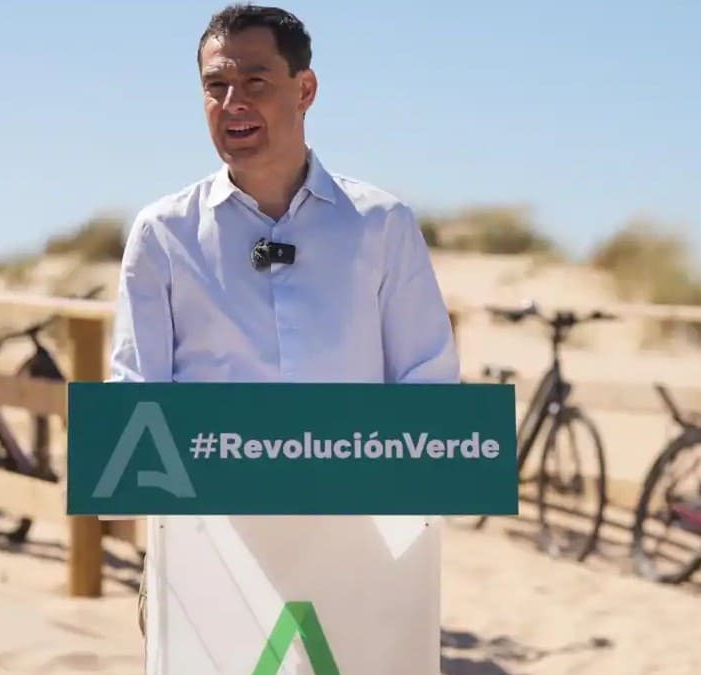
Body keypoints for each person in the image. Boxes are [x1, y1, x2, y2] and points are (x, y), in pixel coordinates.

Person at [107, 3, 460, 639]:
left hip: (360, 552)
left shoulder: (383, 225)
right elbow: (136, 407)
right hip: (208, 553)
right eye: (216, 86)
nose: (232, 102)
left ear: (305, 90)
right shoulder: (163, 234)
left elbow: (429, 390)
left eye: (255, 82)